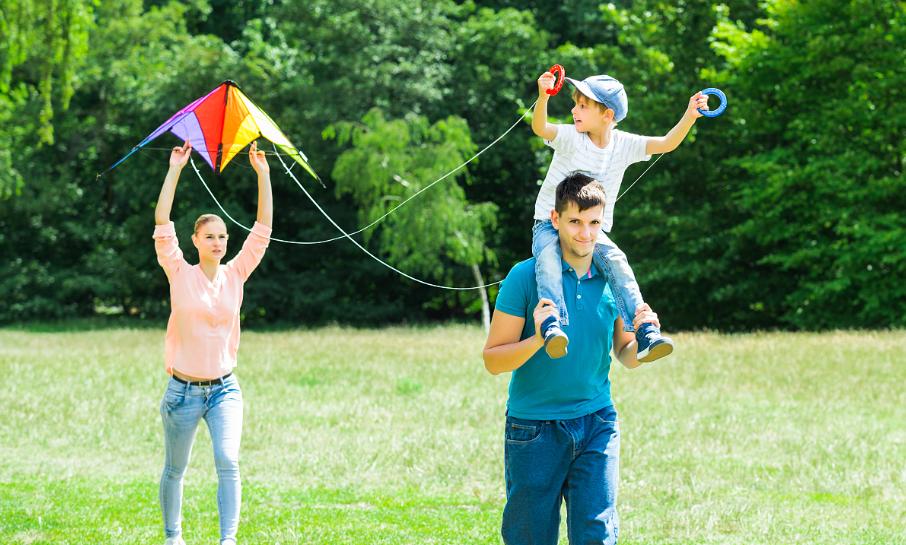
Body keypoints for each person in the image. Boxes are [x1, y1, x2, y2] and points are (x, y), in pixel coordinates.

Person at [483, 173, 663, 544]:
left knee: (596, 534)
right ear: (555, 219)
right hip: (533, 430)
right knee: (529, 537)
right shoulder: (525, 276)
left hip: (597, 421)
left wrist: (644, 347)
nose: (585, 233)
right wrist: (537, 337)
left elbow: (625, 354)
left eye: (594, 223)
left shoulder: (613, 279)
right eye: (575, 222)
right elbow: (493, 360)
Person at [531, 70, 708, 362]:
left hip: (593, 232)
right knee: (548, 261)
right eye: (575, 104)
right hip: (549, 226)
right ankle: (552, 324)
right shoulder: (571, 137)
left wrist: (690, 114)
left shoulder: (624, 144)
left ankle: (645, 328)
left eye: (582, 105)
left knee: (617, 262)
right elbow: (541, 127)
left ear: (607, 114)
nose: (574, 110)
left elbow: (666, 143)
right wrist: (542, 97)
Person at [153, 140, 273, 545]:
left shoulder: (236, 274)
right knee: (175, 468)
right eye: (210, 236)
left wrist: (263, 175)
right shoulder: (179, 271)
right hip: (181, 393)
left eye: (223, 236)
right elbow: (162, 222)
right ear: (195, 241)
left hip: (224, 390)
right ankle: (173, 538)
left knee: (228, 460)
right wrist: (175, 169)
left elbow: (262, 231)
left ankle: (228, 540)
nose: (219, 242)